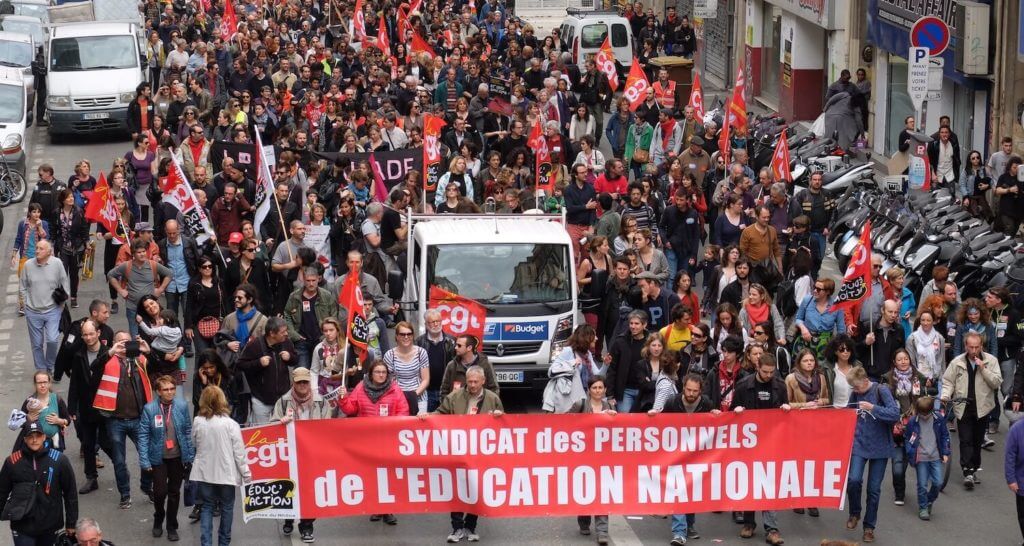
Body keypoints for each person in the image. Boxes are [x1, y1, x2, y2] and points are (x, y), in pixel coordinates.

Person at [421, 366, 504, 543]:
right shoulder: (454, 397)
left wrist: (500, 415)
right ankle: (457, 527)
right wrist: (427, 416)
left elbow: (504, 425)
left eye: (476, 382)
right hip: (458, 451)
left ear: (483, 381)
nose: (472, 385)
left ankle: (470, 526)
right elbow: (440, 414)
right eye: (470, 381)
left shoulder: (492, 398)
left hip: (481, 453)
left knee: (475, 489)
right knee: (458, 490)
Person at [338, 360, 410, 525]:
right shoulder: (360, 387)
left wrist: (391, 426)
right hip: (367, 440)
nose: (381, 375)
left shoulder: (394, 389)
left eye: (384, 372)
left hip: (388, 440)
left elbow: (403, 411)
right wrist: (343, 398)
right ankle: (376, 508)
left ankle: (388, 510)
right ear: (371, 374)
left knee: (388, 476)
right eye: (378, 372)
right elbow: (350, 409)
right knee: (371, 475)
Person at [92, 330, 154, 510]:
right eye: (121, 342)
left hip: (139, 419)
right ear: (113, 343)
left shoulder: (140, 360)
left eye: (128, 342)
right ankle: (125, 495)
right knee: (119, 461)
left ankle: (146, 486)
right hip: (115, 420)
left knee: (148, 456)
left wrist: (148, 351)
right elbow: (94, 367)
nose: (125, 345)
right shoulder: (108, 360)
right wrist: (111, 352)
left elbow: (160, 368)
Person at [730, 354, 788, 544]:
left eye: (772, 372)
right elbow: (731, 412)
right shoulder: (743, 385)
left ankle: (772, 529)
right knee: (749, 484)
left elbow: (784, 416)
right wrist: (736, 412)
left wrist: (785, 408)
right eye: (765, 372)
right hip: (748, 443)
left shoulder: (780, 386)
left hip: (771, 442)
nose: (769, 375)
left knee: (768, 484)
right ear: (758, 367)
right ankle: (749, 523)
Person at [272, 368, 330, 541]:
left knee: (311, 492)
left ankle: (307, 526)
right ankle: (288, 518)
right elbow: (272, 425)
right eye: (299, 382)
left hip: (312, 456)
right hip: (290, 455)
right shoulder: (283, 402)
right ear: (293, 383)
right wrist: (280, 422)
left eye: (305, 382)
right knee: (289, 489)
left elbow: (328, 427)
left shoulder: (320, 402)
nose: (303, 385)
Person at [845, 365, 900, 543]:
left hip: (880, 446)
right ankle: (855, 512)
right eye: (853, 388)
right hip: (859, 443)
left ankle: (869, 527)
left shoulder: (881, 390)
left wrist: (873, 408)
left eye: (857, 387)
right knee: (853, 480)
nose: (855, 391)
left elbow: (894, 414)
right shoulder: (855, 393)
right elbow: (848, 412)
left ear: (866, 381)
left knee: (874, 490)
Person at [942, 330, 1002, 490]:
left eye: (977, 347)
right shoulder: (957, 362)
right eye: (971, 347)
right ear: (965, 346)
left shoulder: (991, 361)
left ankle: (974, 467)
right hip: (963, 406)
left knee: (977, 440)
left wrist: (983, 369)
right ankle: (967, 471)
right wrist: (945, 396)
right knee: (965, 439)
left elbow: (996, 383)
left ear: (981, 346)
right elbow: (948, 381)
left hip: (982, 407)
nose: (974, 350)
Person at [0, 421, 78, 545]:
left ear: (44, 437)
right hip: (22, 526)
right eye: (30, 437)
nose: (34, 440)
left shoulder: (59, 460)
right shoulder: (12, 462)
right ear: (25, 439)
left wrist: (71, 523)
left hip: (50, 525)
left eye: (38, 436)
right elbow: (2, 491)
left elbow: (70, 493)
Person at [191, 386, 251, 546]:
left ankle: (206, 543)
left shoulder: (198, 422)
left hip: (204, 473)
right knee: (227, 508)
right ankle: (224, 542)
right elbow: (239, 453)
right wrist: (246, 474)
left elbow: (194, 443)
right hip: (226, 474)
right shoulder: (231, 424)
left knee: (207, 507)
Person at [138, 375, 195, 541]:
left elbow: (186, 431)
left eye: (172, 389)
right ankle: (158, 516)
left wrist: (189, 456)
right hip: (158, 458)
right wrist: (144, 460)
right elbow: (143, 435)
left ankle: (171, 525)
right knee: (160, 492)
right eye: (166, 389)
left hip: (177, 457)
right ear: (158, 392)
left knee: (174, 493)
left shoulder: (182, 406)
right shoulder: (150, 409)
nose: (170, 392)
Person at [568, 376, 615, 545]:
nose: (597, 391)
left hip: (603, 458)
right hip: (582, 458)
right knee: (585, 491)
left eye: (600, 388)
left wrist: (614, 418)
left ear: (605, 390)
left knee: (602, 492)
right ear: (589, 390)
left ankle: (602, 531)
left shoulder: (609, 406)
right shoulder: (580, 405)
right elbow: (564, 423)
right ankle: (584, 520)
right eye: (594, 388)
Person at [236, 316, 297, 425]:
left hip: (283, 398)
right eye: (282, 332)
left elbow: (295, 360)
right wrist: (258, 363)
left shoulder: (286, 342)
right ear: (272, 333)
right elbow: (240, 364)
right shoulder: (255, 345)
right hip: (261, 400)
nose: (286, 334)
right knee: (262, 433)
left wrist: (290, 357)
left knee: (286, 432)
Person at [20, 240, 69, 372]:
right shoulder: (28, 265)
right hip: (33, 311)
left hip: (52, 310)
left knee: (52, 340)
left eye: (41, 248)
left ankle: (50, 365)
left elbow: (64, 282)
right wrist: (25, 304)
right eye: (36, 248)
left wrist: (63, 303)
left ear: (49, 252)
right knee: (37, 344)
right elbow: (23, 286)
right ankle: (41, 369)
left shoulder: (57, 263)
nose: (37, 251)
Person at [107, 239, 172, 338]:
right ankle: (137, 353)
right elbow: (110, 275)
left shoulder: (152, 265)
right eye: (139, 252)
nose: (142, 254)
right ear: (133, 254)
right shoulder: (127, 266)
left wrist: (160, 289)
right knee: (135, 335)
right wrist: (121, 290)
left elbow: (169, 274)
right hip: (132, 307)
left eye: (144, 251)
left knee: (153, 333)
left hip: (150, 308)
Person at [283, 267, 340, 371]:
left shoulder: (326, 295)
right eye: (308, 281)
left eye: (313, 280)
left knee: (323, 371)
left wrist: (326, 334)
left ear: (318, 279)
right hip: (301, 341)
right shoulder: (295, 296)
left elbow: (334, 315)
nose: (311, 284)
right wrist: (293, 334)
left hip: (321, 340)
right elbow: (287, 315)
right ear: (303, 280)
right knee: (302, 372)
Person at [904, 395, 950, 520]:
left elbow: (944, 435)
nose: (924, 417)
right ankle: (923, 507)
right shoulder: (913, 421)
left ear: (931, 411)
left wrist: (945, 452)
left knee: (938, 482)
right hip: (921, 458)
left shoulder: (938, 419)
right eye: (921, 414)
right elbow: (908, 438)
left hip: (935, 456)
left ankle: (929, 500)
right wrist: (910, 452)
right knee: (922, 485)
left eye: (926, 414)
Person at [13, 371, 70, 452]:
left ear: (49, 383)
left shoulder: (57, 399)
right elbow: (19, 423)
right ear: (35, 384)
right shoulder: (30, 402)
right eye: (39, 383)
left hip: (54, 445)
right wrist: (28, 419)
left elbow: (67, 420)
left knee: (53, 464)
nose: (42, 385)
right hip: (34, 445)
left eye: (45, 382)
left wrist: (59, 421)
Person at [1005, 411, 1024, 543]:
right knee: (1023, 516)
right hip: (1022, 482)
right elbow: (1009, 456)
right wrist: (1011, 479)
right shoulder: (1016, 430)